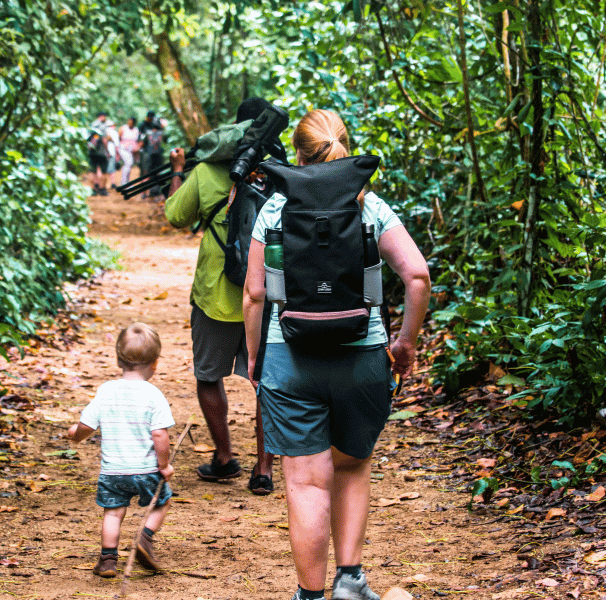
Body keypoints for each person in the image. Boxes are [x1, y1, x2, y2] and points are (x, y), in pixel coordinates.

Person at [242, 109, 431, 600]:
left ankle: (309, 596)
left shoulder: (275, 207)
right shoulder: (370, 205)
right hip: (363, 357)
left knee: (306, 484)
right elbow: (417, 276)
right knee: (350, 467)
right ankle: (350, 580)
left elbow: (255, 294)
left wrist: (256, 357)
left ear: (298, 154)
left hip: (290, 356)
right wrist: (404, 343)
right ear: (346, 145)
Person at [164, 97, 276, 496]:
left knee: (208, 375)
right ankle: (264, 469)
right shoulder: (280, 172)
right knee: (267, 382)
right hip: (267, 293)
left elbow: (176, 215)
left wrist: (179, 171)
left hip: (215, 291)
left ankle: (225, 457)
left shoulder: (208, 169)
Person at [66, 322, 175, 578]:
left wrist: (75, 435)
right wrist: (164, 465)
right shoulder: (153, 395)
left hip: (112, 471)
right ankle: (144, 538)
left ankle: (107, 560)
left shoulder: (106, 391)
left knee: (113, 513)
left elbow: (86, 425)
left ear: (118, 360)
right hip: (146, 471)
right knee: (162, 502)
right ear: (155, 364)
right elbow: (160, 434)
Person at [138, 110, 165, 199]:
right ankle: (153, 192)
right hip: (156, 155)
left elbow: (141, 144)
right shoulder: (161, 133)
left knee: (145, 173)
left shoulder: (147, 133)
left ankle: (144, 193)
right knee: (155, 173)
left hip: (148, 155)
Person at [118, 117, 140, 187]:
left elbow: (137, 140)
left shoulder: (136, 130)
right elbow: (118, 137)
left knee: (129, 165)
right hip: (123, 149)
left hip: (131, 151)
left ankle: (127, 182)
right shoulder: (123, 128)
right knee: (128, 163)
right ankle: (123, 183)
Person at [87, 129, 109, 196]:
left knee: (93, 172)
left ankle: (94, 189)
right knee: (103, 172)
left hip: (92, 154)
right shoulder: (103, 129)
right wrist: (107, 151)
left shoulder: (90, 130)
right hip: (102, 154)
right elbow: (104, 141)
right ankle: (102, 189)